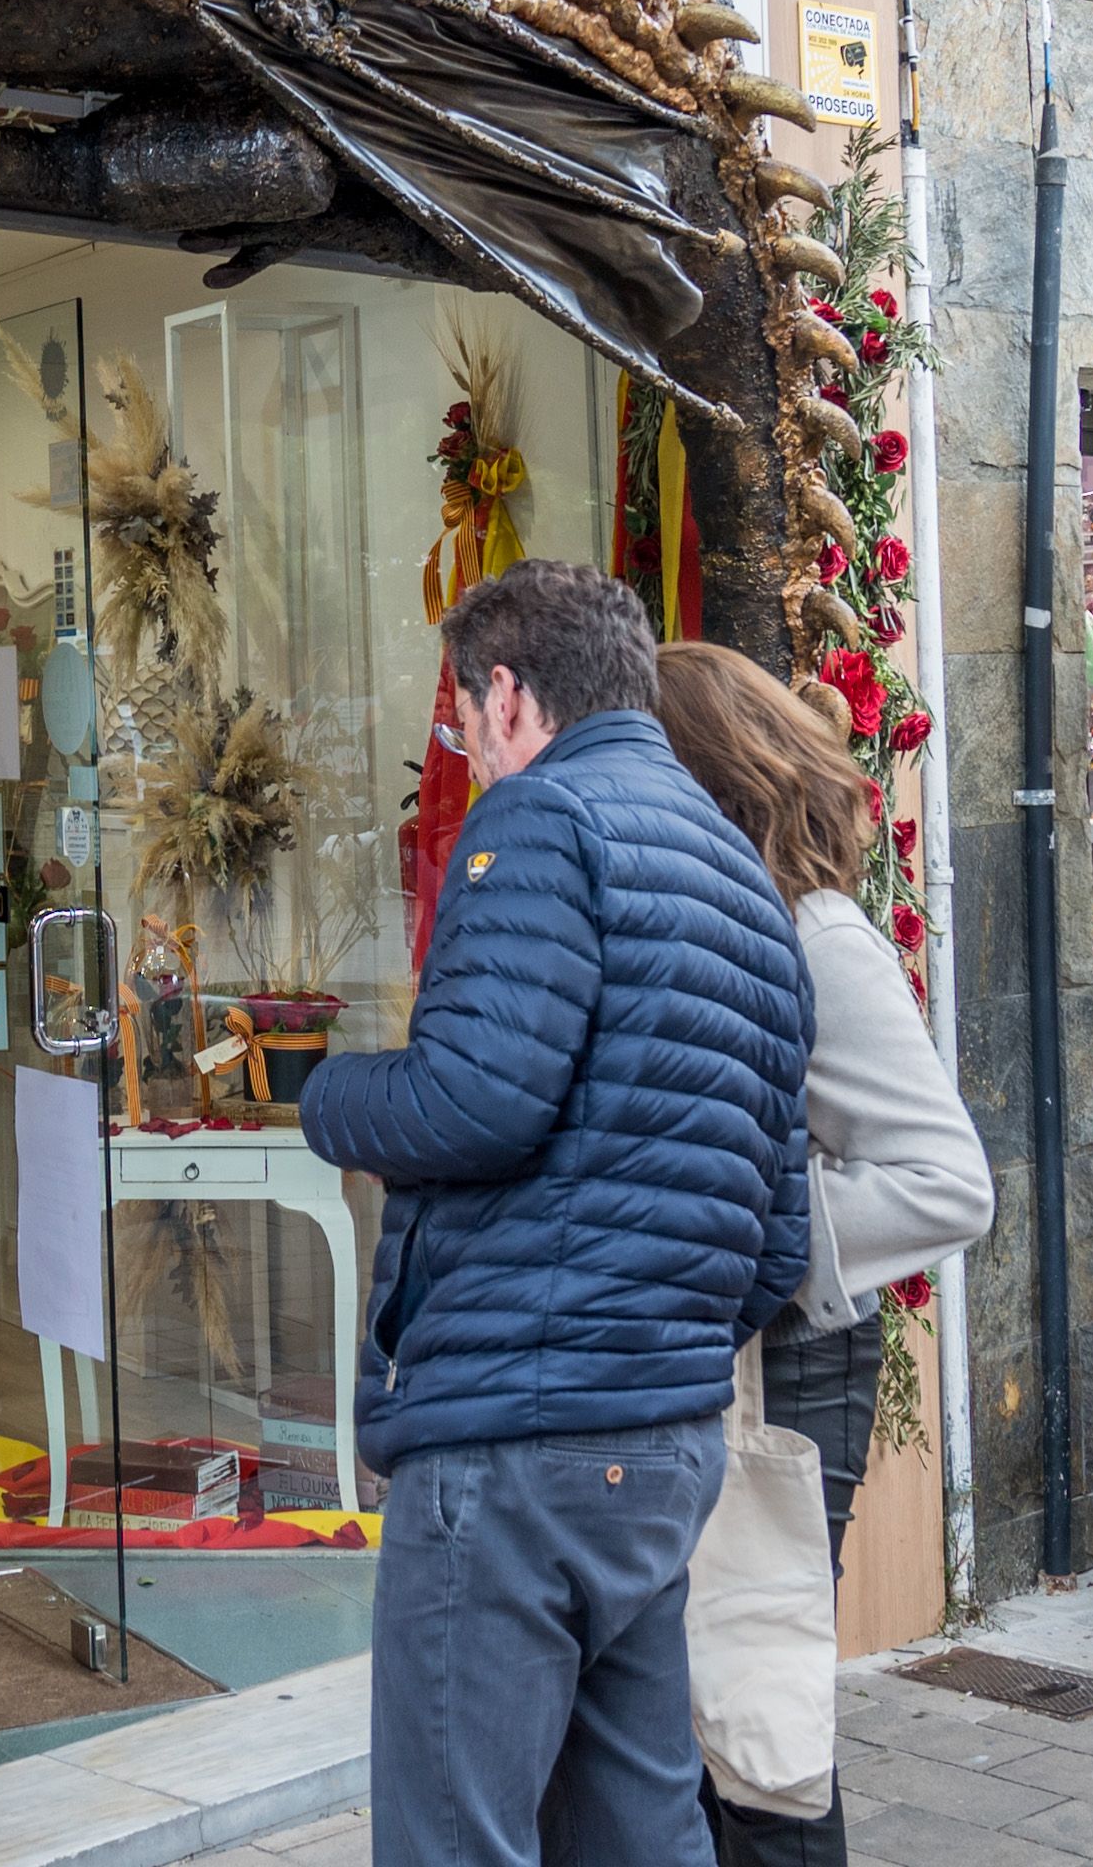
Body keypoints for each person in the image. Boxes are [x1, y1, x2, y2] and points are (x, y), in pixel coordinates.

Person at [299, 562, 813, 1867]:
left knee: (454, 1840)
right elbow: (776, 1232)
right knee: (639, 1831)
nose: (465, 744)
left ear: (507, 696)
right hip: (660, 1435)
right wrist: (656, 1334)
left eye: (464, 713)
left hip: (517, 1436)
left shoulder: (533, 825)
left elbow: (474, 1100)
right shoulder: (740, 876)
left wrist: (321, 1095)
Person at [646, 643, 996, 1867]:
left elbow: (948, 1183)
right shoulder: (708, 919)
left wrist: (741, 1217)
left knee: (761, 1718)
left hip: (790, 1361)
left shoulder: (815, 930)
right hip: (714, 1354)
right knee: (709, 1711)